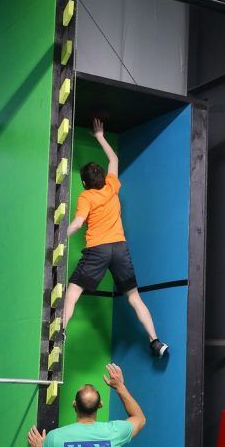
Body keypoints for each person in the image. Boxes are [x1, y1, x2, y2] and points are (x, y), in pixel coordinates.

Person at [64, 118, 168, 358]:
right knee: (134, 297)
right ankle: (155, 341)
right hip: (120, 249)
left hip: (98, 250)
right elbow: (114, 160)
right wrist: (100, 136)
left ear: (84, 183)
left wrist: (60, 237)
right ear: (101, 177)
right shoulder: (112, 185)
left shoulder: (86, 197)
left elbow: (79, 223)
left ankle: (61, 332)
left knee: (72, 292)